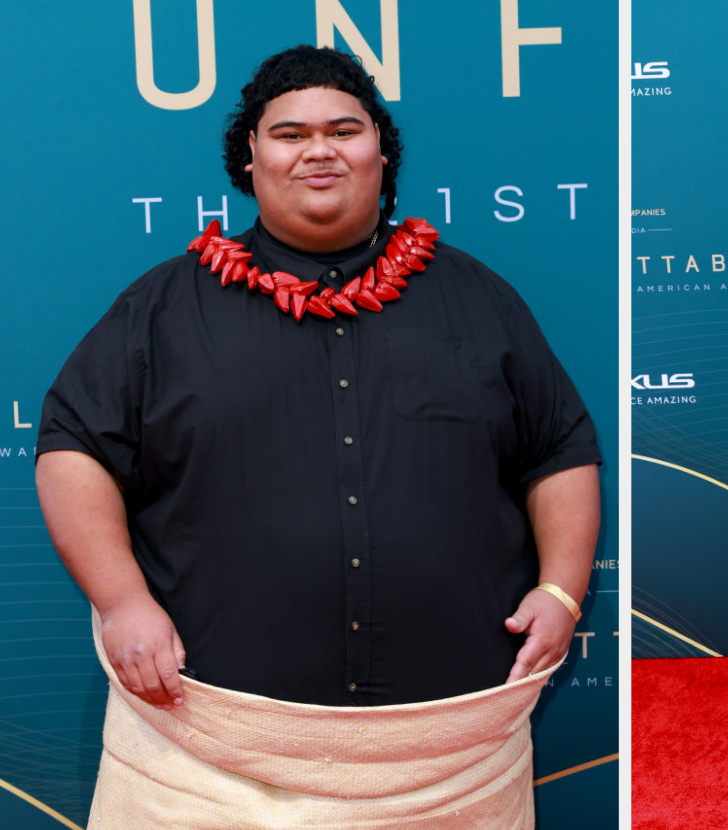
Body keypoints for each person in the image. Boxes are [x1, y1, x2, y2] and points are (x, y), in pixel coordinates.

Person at [35, 46, 600, 827]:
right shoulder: (162, 308)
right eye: (290, 133)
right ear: (251, 155)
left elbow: (560, 448)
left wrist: (563, 589)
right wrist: (123, 600)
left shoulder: (479, 299)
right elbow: (74, 447)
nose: (319, 149)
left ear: (380, 150)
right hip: (206, 754)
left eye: (344, 129)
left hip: (449, 765)